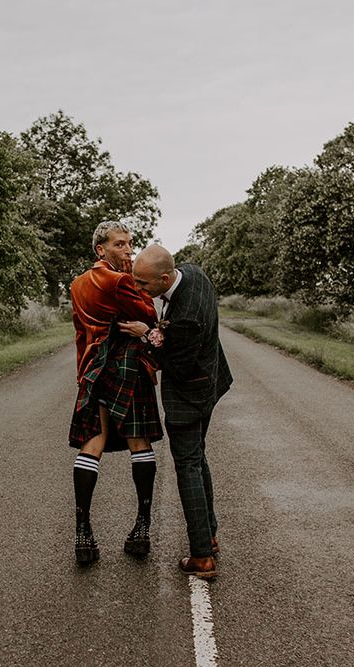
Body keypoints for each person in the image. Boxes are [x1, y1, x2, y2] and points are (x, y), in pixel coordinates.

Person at [119, 245, 232, 579]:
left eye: (143, 284)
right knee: (198, 458)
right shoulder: (194, 273)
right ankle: (208, 535)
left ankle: (201, 557)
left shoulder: (186, 318)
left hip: (191, 392)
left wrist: (148, 335)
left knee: (187, 466)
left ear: (165, 278)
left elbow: (176, 365)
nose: (140, 290)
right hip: (211, 382)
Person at [69, 221, 163, 565]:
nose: (128, 251)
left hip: (93, 368)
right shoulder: (121, 280)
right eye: (120, 245)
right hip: (125, 364)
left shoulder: (77, 284)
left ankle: (83, 532)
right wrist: (137, 289)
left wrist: (83, 372)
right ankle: (142, 528)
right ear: (101, 250)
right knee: (139, 440)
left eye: (130, 244)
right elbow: (148, 313)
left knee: (92, 441)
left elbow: (81, 333)